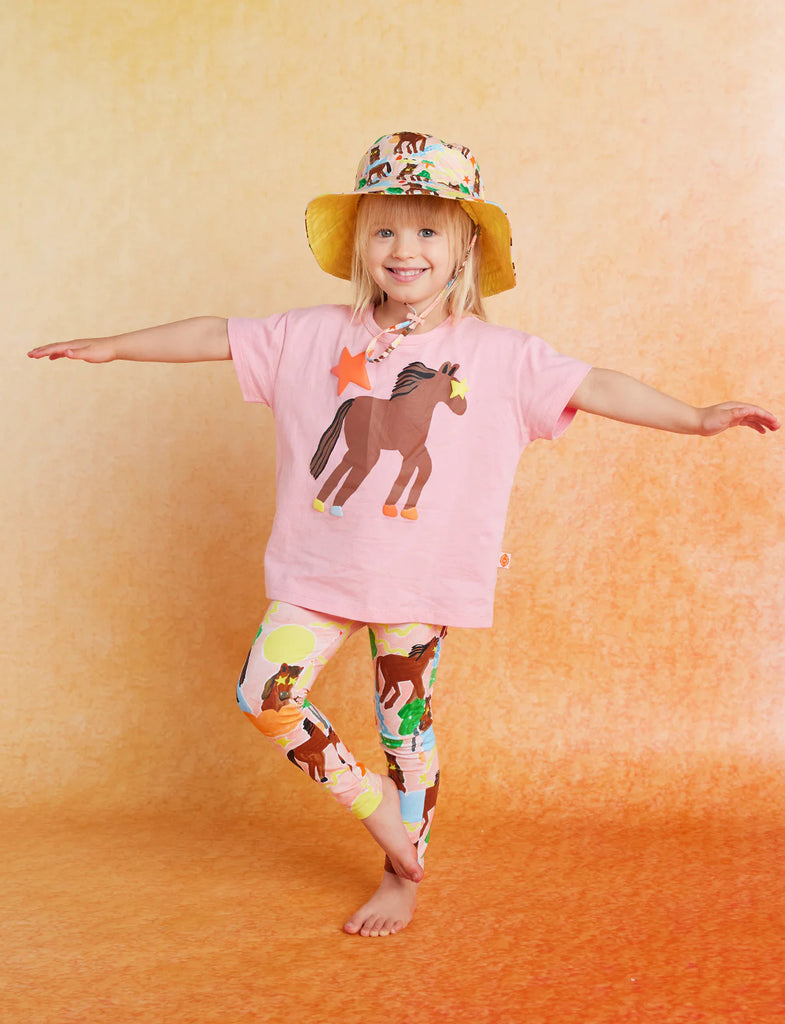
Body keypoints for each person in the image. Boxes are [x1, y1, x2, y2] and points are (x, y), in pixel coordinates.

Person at [28, 131, 779, 939]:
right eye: (383, 229)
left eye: (426, 230)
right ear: (359, 243)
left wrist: (694, 418)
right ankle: (377, 808)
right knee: (264, 695)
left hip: (420, 582)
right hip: (320, 574)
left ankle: (401, 876)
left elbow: (593, 384)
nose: (402, 248)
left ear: (465, 247)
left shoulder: (500, 355)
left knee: (405, 731)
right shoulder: (313, 334)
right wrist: (115, 346)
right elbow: (217, 334)